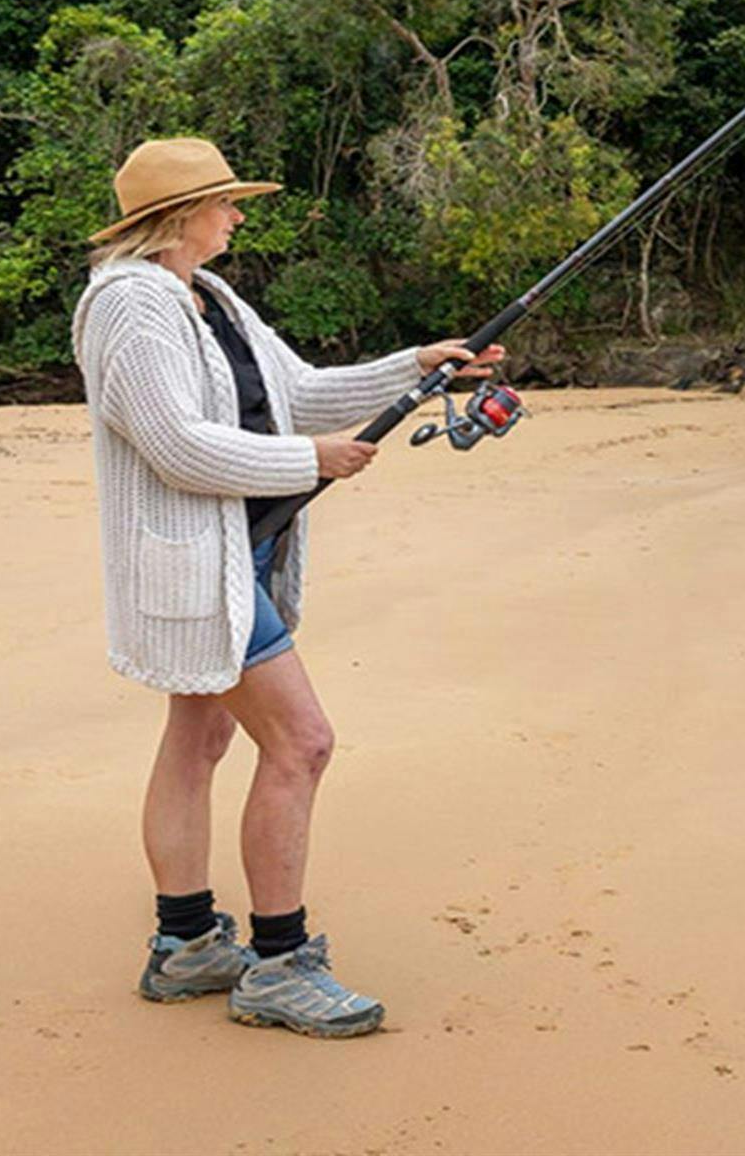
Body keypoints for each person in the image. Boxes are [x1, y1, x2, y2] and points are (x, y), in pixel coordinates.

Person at [70, 137, 503, 1038]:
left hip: (239, 550)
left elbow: (299, 391)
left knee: (200, 738)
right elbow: (175, 444)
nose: (236, 215)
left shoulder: (209, 295)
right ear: (179, 215)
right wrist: (314, 461)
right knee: (303, 742)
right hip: (195, 563)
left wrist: (418, 370)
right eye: (226, 202)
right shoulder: (132, 307)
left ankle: (185, 946)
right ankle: (277, 963)